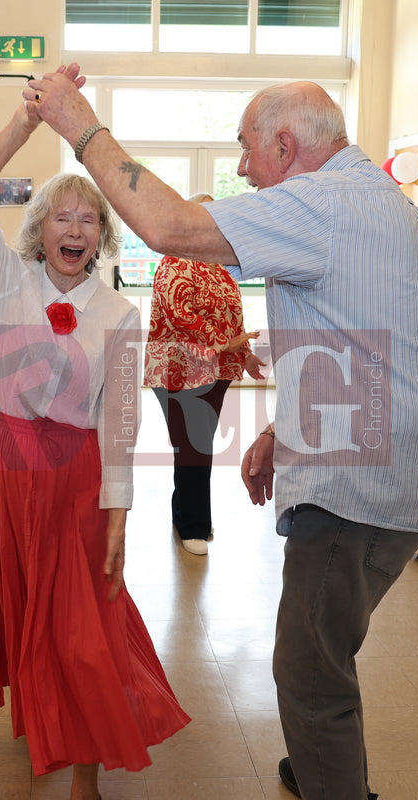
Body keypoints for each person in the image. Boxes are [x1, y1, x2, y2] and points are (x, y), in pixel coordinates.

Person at [23, 67, 418, 800]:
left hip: (355, 488)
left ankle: (332, 781)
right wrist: (283, 424)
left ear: (285, 143)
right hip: (385, 466)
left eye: (246, 149)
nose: (242, 169)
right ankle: (320, 764)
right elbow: (378, 343)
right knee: (324, 655)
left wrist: (78, 123)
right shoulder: (378, 201)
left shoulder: (324, 200)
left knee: (310, 675)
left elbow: (168, 227)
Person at [0, 99, 190, 800]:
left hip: (76, 479)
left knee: (88, 625)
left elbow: (119, 421)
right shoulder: (4, 281)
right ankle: (41, 716)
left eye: (88, 218)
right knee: (24, 605)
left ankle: (86, 768)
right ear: (40, 229)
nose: (74, 228)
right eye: (62, 216)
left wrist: (118, 516)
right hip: (3, 468)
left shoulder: (118, 314)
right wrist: (23, 124)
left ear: (103, 235)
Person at [145, 192, 264, 555]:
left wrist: (243, 355)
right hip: (177, 371)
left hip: (216, 371)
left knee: (197, 445)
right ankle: (192, 524)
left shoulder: (218, 265)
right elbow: (180, 316)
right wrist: (227, 345)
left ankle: (188, 515)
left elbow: (232, 317)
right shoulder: (173, 261)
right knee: (194, 445)